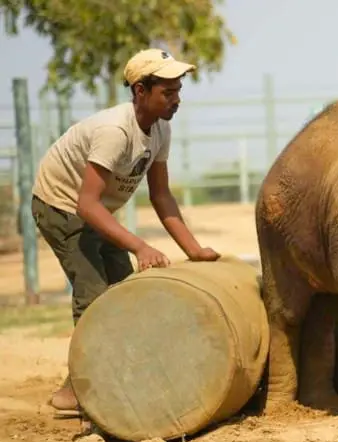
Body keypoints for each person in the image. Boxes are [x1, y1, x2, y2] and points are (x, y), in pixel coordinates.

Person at [31, 48, 221, 415]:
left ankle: (91, 382)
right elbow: (85, 204)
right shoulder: (115, 132)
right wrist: (139, 246)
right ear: (139, 91)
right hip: (61, 206)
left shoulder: (161, 129)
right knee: (95, 297)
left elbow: (161, 196)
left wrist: (194, 250)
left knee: (125, 293)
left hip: (96, 212)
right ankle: (85, 393)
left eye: (178, 91)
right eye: (168, 92)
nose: (176, 100)